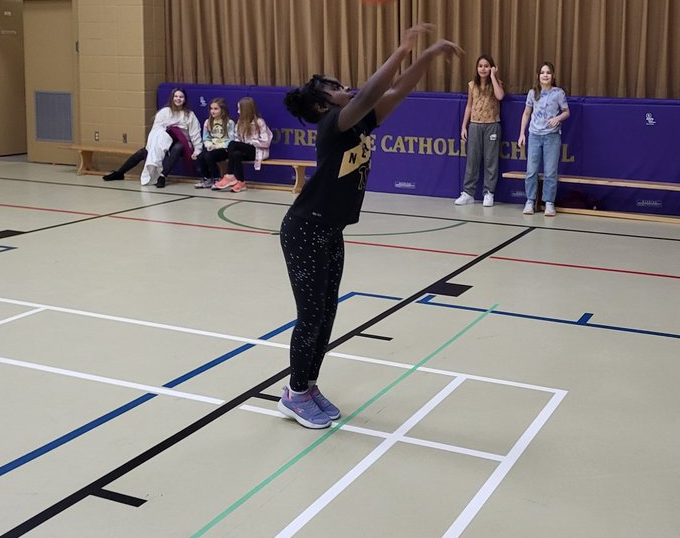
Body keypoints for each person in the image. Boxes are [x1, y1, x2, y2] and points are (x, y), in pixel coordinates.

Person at [278, 24, 462, 429]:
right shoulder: (333, 126)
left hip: (330, 230)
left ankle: (307, 386)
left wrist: (427, 58)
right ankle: (292, 393)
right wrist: (401, 51)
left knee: (327, 312)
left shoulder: (358, 124)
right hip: (304, 229)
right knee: (310, 315)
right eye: (336, 87)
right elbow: (371, 92)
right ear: (323, 106)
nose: (346, 87)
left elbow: (395, 93)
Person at [102, 88, 202, 188]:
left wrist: (197, 150)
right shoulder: (164, 112)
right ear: (172, 98)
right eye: (176, 96)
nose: (178, 99)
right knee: (144, 152)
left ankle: (162, 176)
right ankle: (120, 173)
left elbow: (195, 134)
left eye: (181, 97)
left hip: (182, 142)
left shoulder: (190, 115)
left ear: (185, 99)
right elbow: (156, 130)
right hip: (165, 140)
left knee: (178, 147)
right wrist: (152, 145)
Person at [518, 61, 570, 217]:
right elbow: (527, 113)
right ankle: (530, 201)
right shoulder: (533, 93)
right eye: (542, 72)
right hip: (534, 136)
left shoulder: (558, 93)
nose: (545, 75)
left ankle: (549, 202)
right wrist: (522, 134)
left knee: (550, 171)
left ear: (553, 76)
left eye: (548, 72)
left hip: (552, 137)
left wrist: (558, 118)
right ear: (538, 76)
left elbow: (567, 112)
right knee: (531, 170)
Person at [454, 53, 505, 208]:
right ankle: (468, 193)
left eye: (486, 66)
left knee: (491, 161)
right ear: (477, 68)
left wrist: (494, 77)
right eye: (480, 66)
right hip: (475, 125)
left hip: (492, 125)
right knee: (472, 160)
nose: (483, 69)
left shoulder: (496, 83)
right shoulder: (472, 85)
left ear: (491, 68)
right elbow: (469, 105)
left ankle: (489, 193)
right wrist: (464, 125)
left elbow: (500, 96)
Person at [213, 96, 272, 192]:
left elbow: (266, 142)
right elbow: (237, 138)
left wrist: (249, 143)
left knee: (232, 144)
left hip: (257, 151)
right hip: (244, 151)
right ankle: (241, 182)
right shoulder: (240, 122)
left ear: (246, 110)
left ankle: (229, 175)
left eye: (239, 109)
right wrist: (242, 145)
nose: (238, 112)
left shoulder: (259, 122)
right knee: (236, 154)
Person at [195, 96, 236, 188]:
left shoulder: (229, 123)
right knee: (200, 157)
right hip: (211, 147)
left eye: (216, 109)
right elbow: (205, 137)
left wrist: (217, 146)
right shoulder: (207, 122)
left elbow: (231, 140)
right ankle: (207, 178)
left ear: (222, 110)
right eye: (211, 109)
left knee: (209, 156)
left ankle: (217, 178)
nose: (212, 111)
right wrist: (209, 145)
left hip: (224, 149)